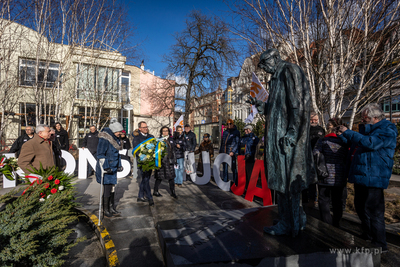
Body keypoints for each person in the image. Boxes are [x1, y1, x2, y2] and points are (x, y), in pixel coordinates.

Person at [248, 48, 316, 236]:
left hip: (287, 139)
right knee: (282, 183)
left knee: (288, 183)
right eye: (261, 66)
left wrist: (293, 133)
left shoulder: (289, 70)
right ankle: (292, 219)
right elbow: (277, 107)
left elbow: (298, 105)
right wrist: (261, 105)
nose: (264, 69)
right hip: (279, 137)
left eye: (265, 64)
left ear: (275, 58)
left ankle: (291, 222)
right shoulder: (276, 77)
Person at [337, 103, 397, 252]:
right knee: (360, 207)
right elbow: (357, 146)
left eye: (365, 118)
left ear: (375, 117)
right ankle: (368, 235)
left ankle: (380, 243)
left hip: (374, 177)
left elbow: (371, 144)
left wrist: (349, 132)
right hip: (362, 175)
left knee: (374, 211)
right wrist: (344, 136)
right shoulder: (368, 130)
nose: (362, 121)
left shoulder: (387, 129)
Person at [313, 117, 349, 227]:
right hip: (339, 174)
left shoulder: (322, 141)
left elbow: (315, 153)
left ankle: (326, 223)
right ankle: (336, 222)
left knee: (324, 200)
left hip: (325, 174)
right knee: (337, 201)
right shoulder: (345, 142)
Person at [96, 118, 124, 217]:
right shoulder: (104, 139)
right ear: (114, 130)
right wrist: (106, 167)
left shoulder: (115, 139)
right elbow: (100, 154)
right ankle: (106, 209)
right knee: (107, 188)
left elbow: (117, 154)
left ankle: (112, 208)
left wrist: (119, 165)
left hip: (113, 168)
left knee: (112, 188)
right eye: (119, 131)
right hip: (106, 168)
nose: (120, 133)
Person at [304, 112, 325, 206]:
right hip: (305, 157)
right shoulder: (305, 129)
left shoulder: (321, 130)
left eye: (315, 119)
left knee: (315, 179)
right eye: (312, 119)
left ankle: (314, 199)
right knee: (305, 178)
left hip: (317, 158)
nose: (314, 121)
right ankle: (305, 199)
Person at [132, 121, 155, 206]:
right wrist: (145, 157)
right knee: (145, 179)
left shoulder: (151, 137)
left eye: (146, 127)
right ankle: (150, 197)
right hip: (143, 162)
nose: (146, 128)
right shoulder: (136, 138)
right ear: (140, 129)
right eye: (144, 127)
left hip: (151, 161)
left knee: (146, 179)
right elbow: (137, 151)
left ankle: (140, 196)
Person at [153, 126, 178, 199]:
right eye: (163, 131)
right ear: (161, 132)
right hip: (161, 161)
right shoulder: (158, 140)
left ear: (168, 132)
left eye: (166, 131)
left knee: (171, 178)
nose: (165, 132)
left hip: (169, 161)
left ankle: (173, 192)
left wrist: (174, 160)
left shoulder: (171, 140)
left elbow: (173, 151)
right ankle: (155, 191)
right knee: (159, 177)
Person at [219, 119, 240, 183]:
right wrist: (220, 151)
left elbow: (237, 143)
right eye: (227, 124)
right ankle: (225, 181)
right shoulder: (225, 132)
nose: (229, 125)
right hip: (224, 152)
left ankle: (235, 182)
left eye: (230, 123)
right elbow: (222, 142)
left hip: (231, 153)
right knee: (225, 168)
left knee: (233, 168)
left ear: (233, 124)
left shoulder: (236, 132)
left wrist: (233, 151)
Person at [240, 125, 259, 189]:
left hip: (250, 158)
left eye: (246, 129)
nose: (245, 131)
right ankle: (245, 187)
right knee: (244, 173)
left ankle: (250, 188)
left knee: (249, 173)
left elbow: (256, 148)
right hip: (243, 157)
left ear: (249, 130)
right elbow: (241, 146)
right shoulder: (243, 138)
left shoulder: (254, 138)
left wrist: (250, 154)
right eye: (244, 130)